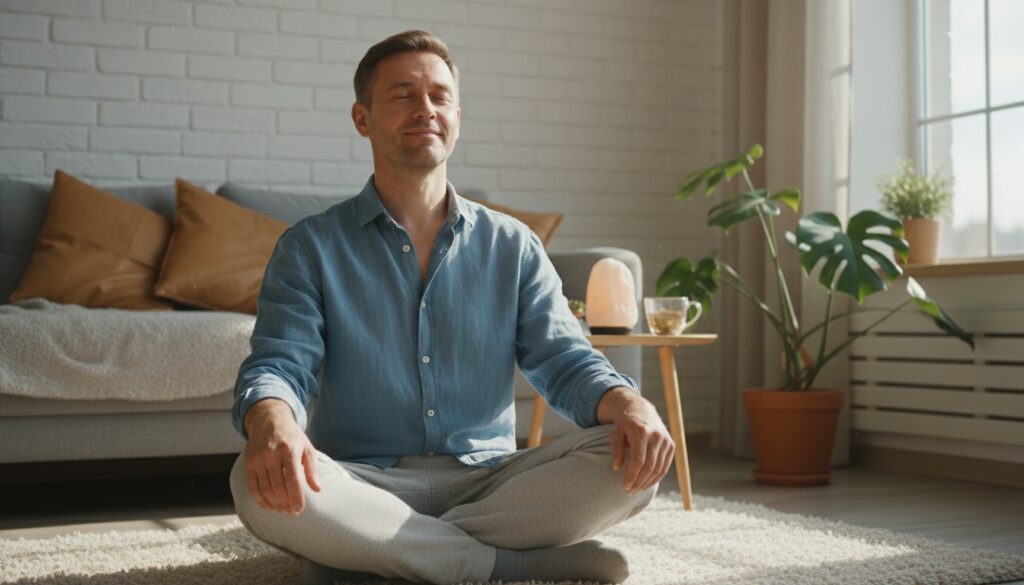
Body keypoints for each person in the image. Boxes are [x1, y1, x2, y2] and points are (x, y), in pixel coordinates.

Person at [228, 30, 674, 585]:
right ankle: (502, 565)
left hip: (492, 482)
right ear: (362, 119)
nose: (425, 110)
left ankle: (372, 556)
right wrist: (273, 423)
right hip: (361, 482)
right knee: (253, 484)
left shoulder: (513, 245)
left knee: (630, 460)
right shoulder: (309, 247)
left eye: (439, 96)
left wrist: (631, 405)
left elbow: (564, 360)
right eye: (402, 95)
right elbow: (278, 363)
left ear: (457, 114)